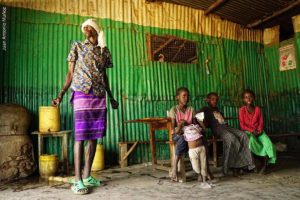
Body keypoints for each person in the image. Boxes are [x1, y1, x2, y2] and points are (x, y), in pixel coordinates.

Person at [52, 18, 118, 195]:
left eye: (89, 26)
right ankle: (77, 180)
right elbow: (70, 73)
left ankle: (87, 175)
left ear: (96, 30)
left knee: (94, 136)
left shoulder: (104, 51)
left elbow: (104, 77)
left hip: (99, 96)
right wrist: (61, 94)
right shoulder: (77, 46)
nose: (85, 28)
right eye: (84, 27)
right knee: (80, 136)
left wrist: (111, 97)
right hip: (81, 92)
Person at [197, 92, 255, 176]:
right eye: (212, 99)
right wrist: (203, 125)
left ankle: (247, 164)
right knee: (231, 138)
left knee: (244, 135)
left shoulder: (217, 109)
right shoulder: (205, 109)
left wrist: (220, 116)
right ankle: (230, 168)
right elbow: (197, 117)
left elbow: (222, 121)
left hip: (226, 127)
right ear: (208, 100)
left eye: (216, 99)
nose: (215, 101)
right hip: (218, 129)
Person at [239, 89, 276, 174]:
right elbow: (242, 125)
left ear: (254, 98)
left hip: (259, 131)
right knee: (252, 141)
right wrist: (252, 131)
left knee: (267, 142)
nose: (248, 99)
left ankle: (266, 161)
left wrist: (259, 130)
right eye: (246, 97)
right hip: (248, 132)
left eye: (250, 97)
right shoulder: (241, 110)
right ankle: (262, 159)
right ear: (243, 99)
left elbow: (261, 122)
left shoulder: (258, 109)